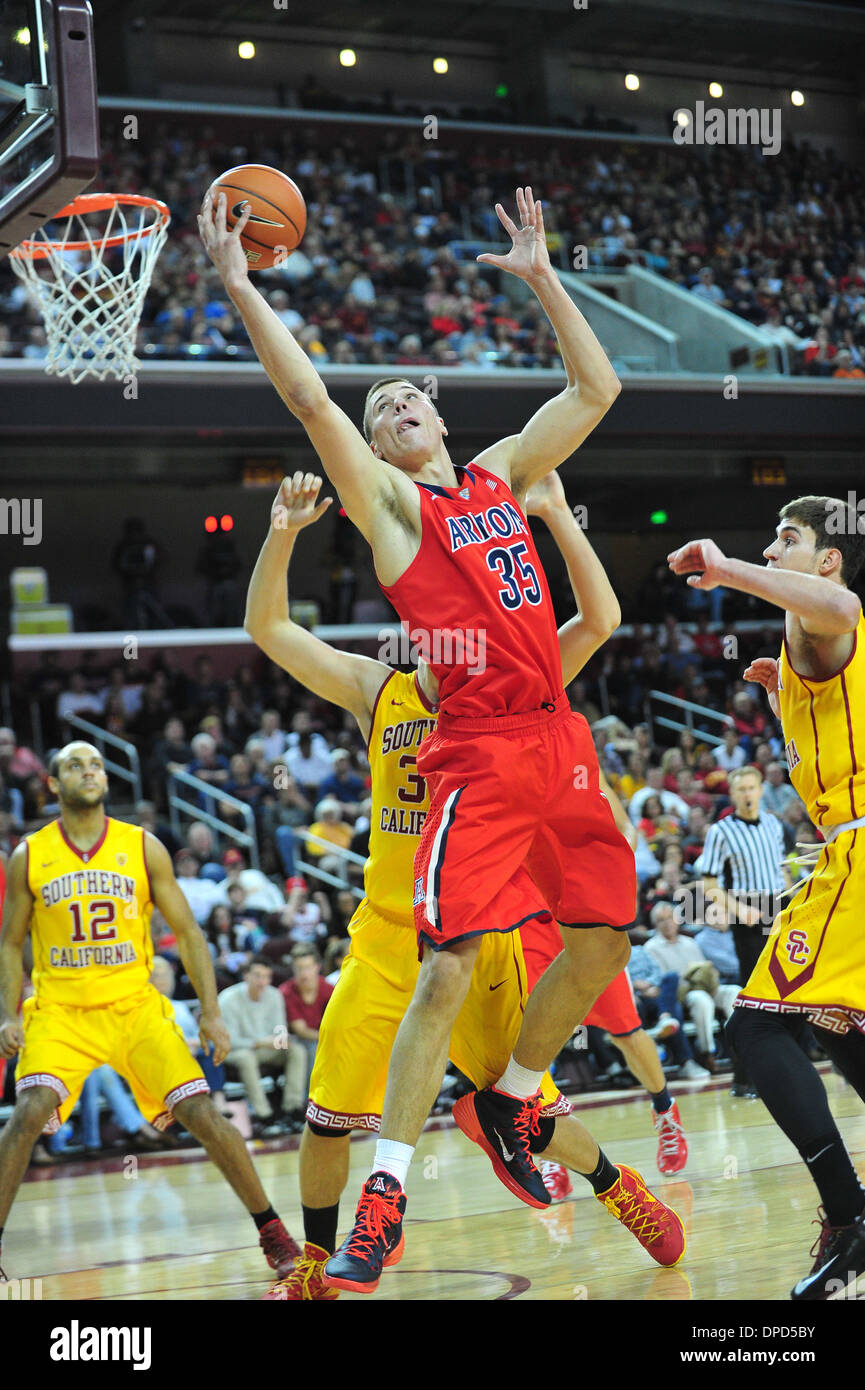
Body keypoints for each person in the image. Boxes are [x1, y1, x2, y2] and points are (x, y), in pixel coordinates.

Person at [200, 182, 646, 1286]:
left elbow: (599, 384)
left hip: (559, 735)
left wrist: (542, 278)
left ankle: (505, 1099)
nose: (395, 400)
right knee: (444, 964)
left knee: (603, 940)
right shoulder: (397, 514)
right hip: (485, 749)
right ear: (378, 451)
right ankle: (383, 1193)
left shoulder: (503, 474)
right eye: (380, 403)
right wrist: (240, 287)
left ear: (443, 421)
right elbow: (310, 401)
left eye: (411, 394)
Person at [243, 469, 682, 1300]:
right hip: (386, 937)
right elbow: (267, 627)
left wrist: (551, 513)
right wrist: (282, 533)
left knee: (534, 1118)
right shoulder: (379, 692)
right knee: (327, 1115)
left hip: (486, 933)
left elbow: (597, 619)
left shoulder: (523, 681)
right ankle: (316, 1259)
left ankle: (618, 1188)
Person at [0, 743, 299, 1283]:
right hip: (62, 1011)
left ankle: (273, 1231)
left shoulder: (143, 846)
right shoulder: (30, 854)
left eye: (95, 764)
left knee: (203, 1113)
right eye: (74, 764)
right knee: (27, 1114)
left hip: (135, 1008)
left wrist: (210, 1011)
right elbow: (8, 942)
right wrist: (8, 1014)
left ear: (106, 781)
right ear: (51, 783)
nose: (88, 771)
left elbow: (187, 932)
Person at [668, 493, 865, 1299]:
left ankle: (850, 1221)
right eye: (768, 538)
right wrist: (786, 694)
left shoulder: (825, 613)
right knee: (838, 1030)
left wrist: (725, 568)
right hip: (839, 848)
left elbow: (843, 605)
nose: (772, 546)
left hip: (855, 851)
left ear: (824, 557)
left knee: (756, 1031)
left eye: (789, 539)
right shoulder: (798, 649)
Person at [695, 765, 787, 1095]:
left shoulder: (775, 824)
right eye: (741, 789)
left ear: (761, 789)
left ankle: (780, 1069)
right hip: (747, 913)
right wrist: (739, 909)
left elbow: (781, 871)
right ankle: (744, 1076)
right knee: (756, 998)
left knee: (785, 994)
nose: (747, 794)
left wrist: (790, 905)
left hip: (779, 908)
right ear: (732, 794)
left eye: (751, 787)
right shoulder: (721, 831)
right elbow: (708, 883)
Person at [219, 957, 308, 1134]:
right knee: (246, 1057)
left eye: (267, 977)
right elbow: (229, 1041)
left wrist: (281, 1040)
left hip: (265, 1049)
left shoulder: (274, 995)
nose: (263, 981)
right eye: (258, 976)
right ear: (245, 976)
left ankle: (293, 1109)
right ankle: (264, 1116)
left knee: (297, 1051)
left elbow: (279, 1029)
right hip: (234, 1051)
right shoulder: (227, 999)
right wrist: (259, 1042)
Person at [279, 944, 334, 1094]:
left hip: (322, 1037)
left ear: (317, 967)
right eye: (299, 968)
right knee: (312, 1048)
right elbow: (300, 1030)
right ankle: (310, 1100)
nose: (304, 974)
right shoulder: (286, 992)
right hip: (293, 1040)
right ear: (293, 970)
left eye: (308, 967)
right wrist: (328, 1038)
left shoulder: (329, 989)